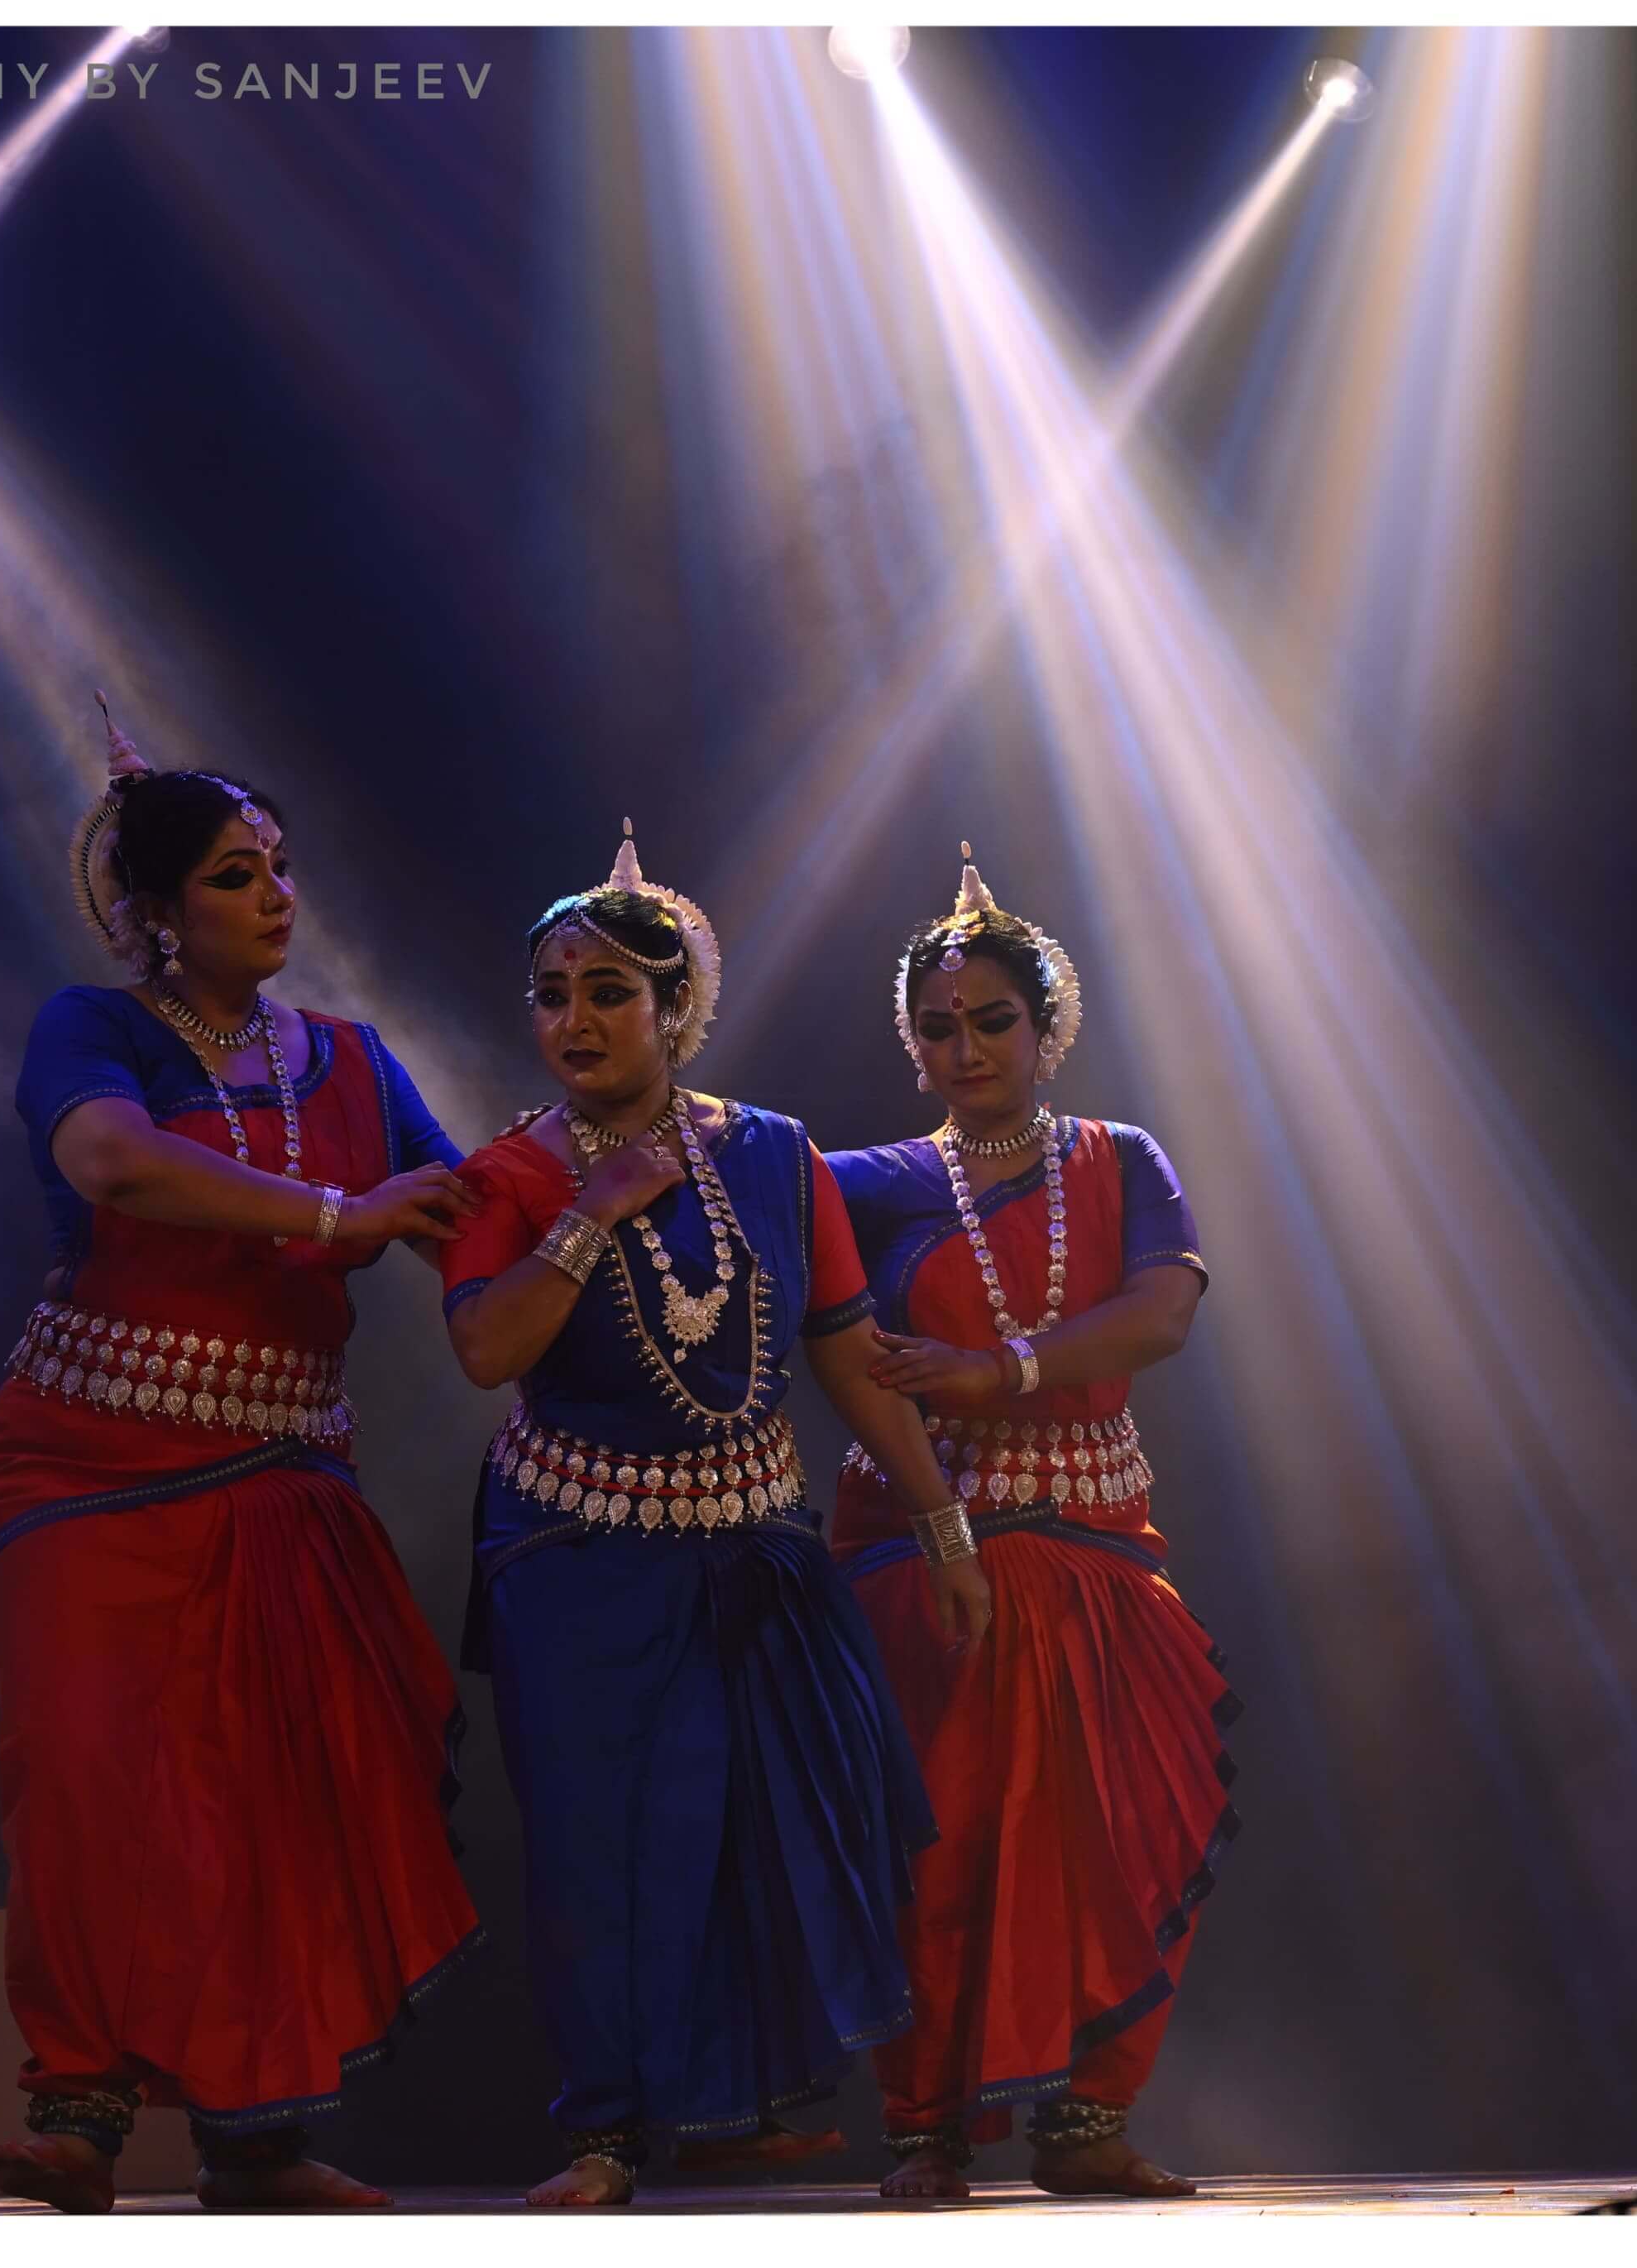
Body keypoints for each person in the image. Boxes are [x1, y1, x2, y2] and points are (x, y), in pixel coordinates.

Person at [0, 701, 482, 2213]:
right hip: (84, 1461)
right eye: (233, 875)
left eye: (279, 867)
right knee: (85, 1780)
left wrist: (632, 1179)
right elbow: (111, 1161)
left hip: (278, 1467)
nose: (275, 896)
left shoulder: (353, 1061)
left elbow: (462, 1213)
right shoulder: (97, 1031)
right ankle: (79, 2107)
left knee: (266, 1794)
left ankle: (256, 2138)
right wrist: (338, 1216)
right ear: (154, 908)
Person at [438, 822, 992, 2207]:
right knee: (597, 1845)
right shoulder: (513, 1174)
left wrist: (943, 1526)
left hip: (752, 1545)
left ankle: (727, 2107)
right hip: (575, 1553)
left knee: (757, 1823)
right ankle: (607, 2131)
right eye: (552, 994)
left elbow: (849, 1355)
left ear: (675, 1005)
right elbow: (487, 1348)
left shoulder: (779, 1155)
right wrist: (595, 1209)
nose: (573, 1021)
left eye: (608, 991)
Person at [826, 845, 1233, 2201]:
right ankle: (927, 2131)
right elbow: (744, 1203)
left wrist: (996, 1367)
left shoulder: (1120, 1158)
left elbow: (1163, 1312)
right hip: (937, 1551)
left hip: (1101, 1541)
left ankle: (1085, 2121)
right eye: (937, 1026)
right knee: (943, 1839)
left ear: (1048, 1025)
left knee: (1123, 1833)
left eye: (992, 1019)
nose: (965, 1048)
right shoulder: (869, 1179)